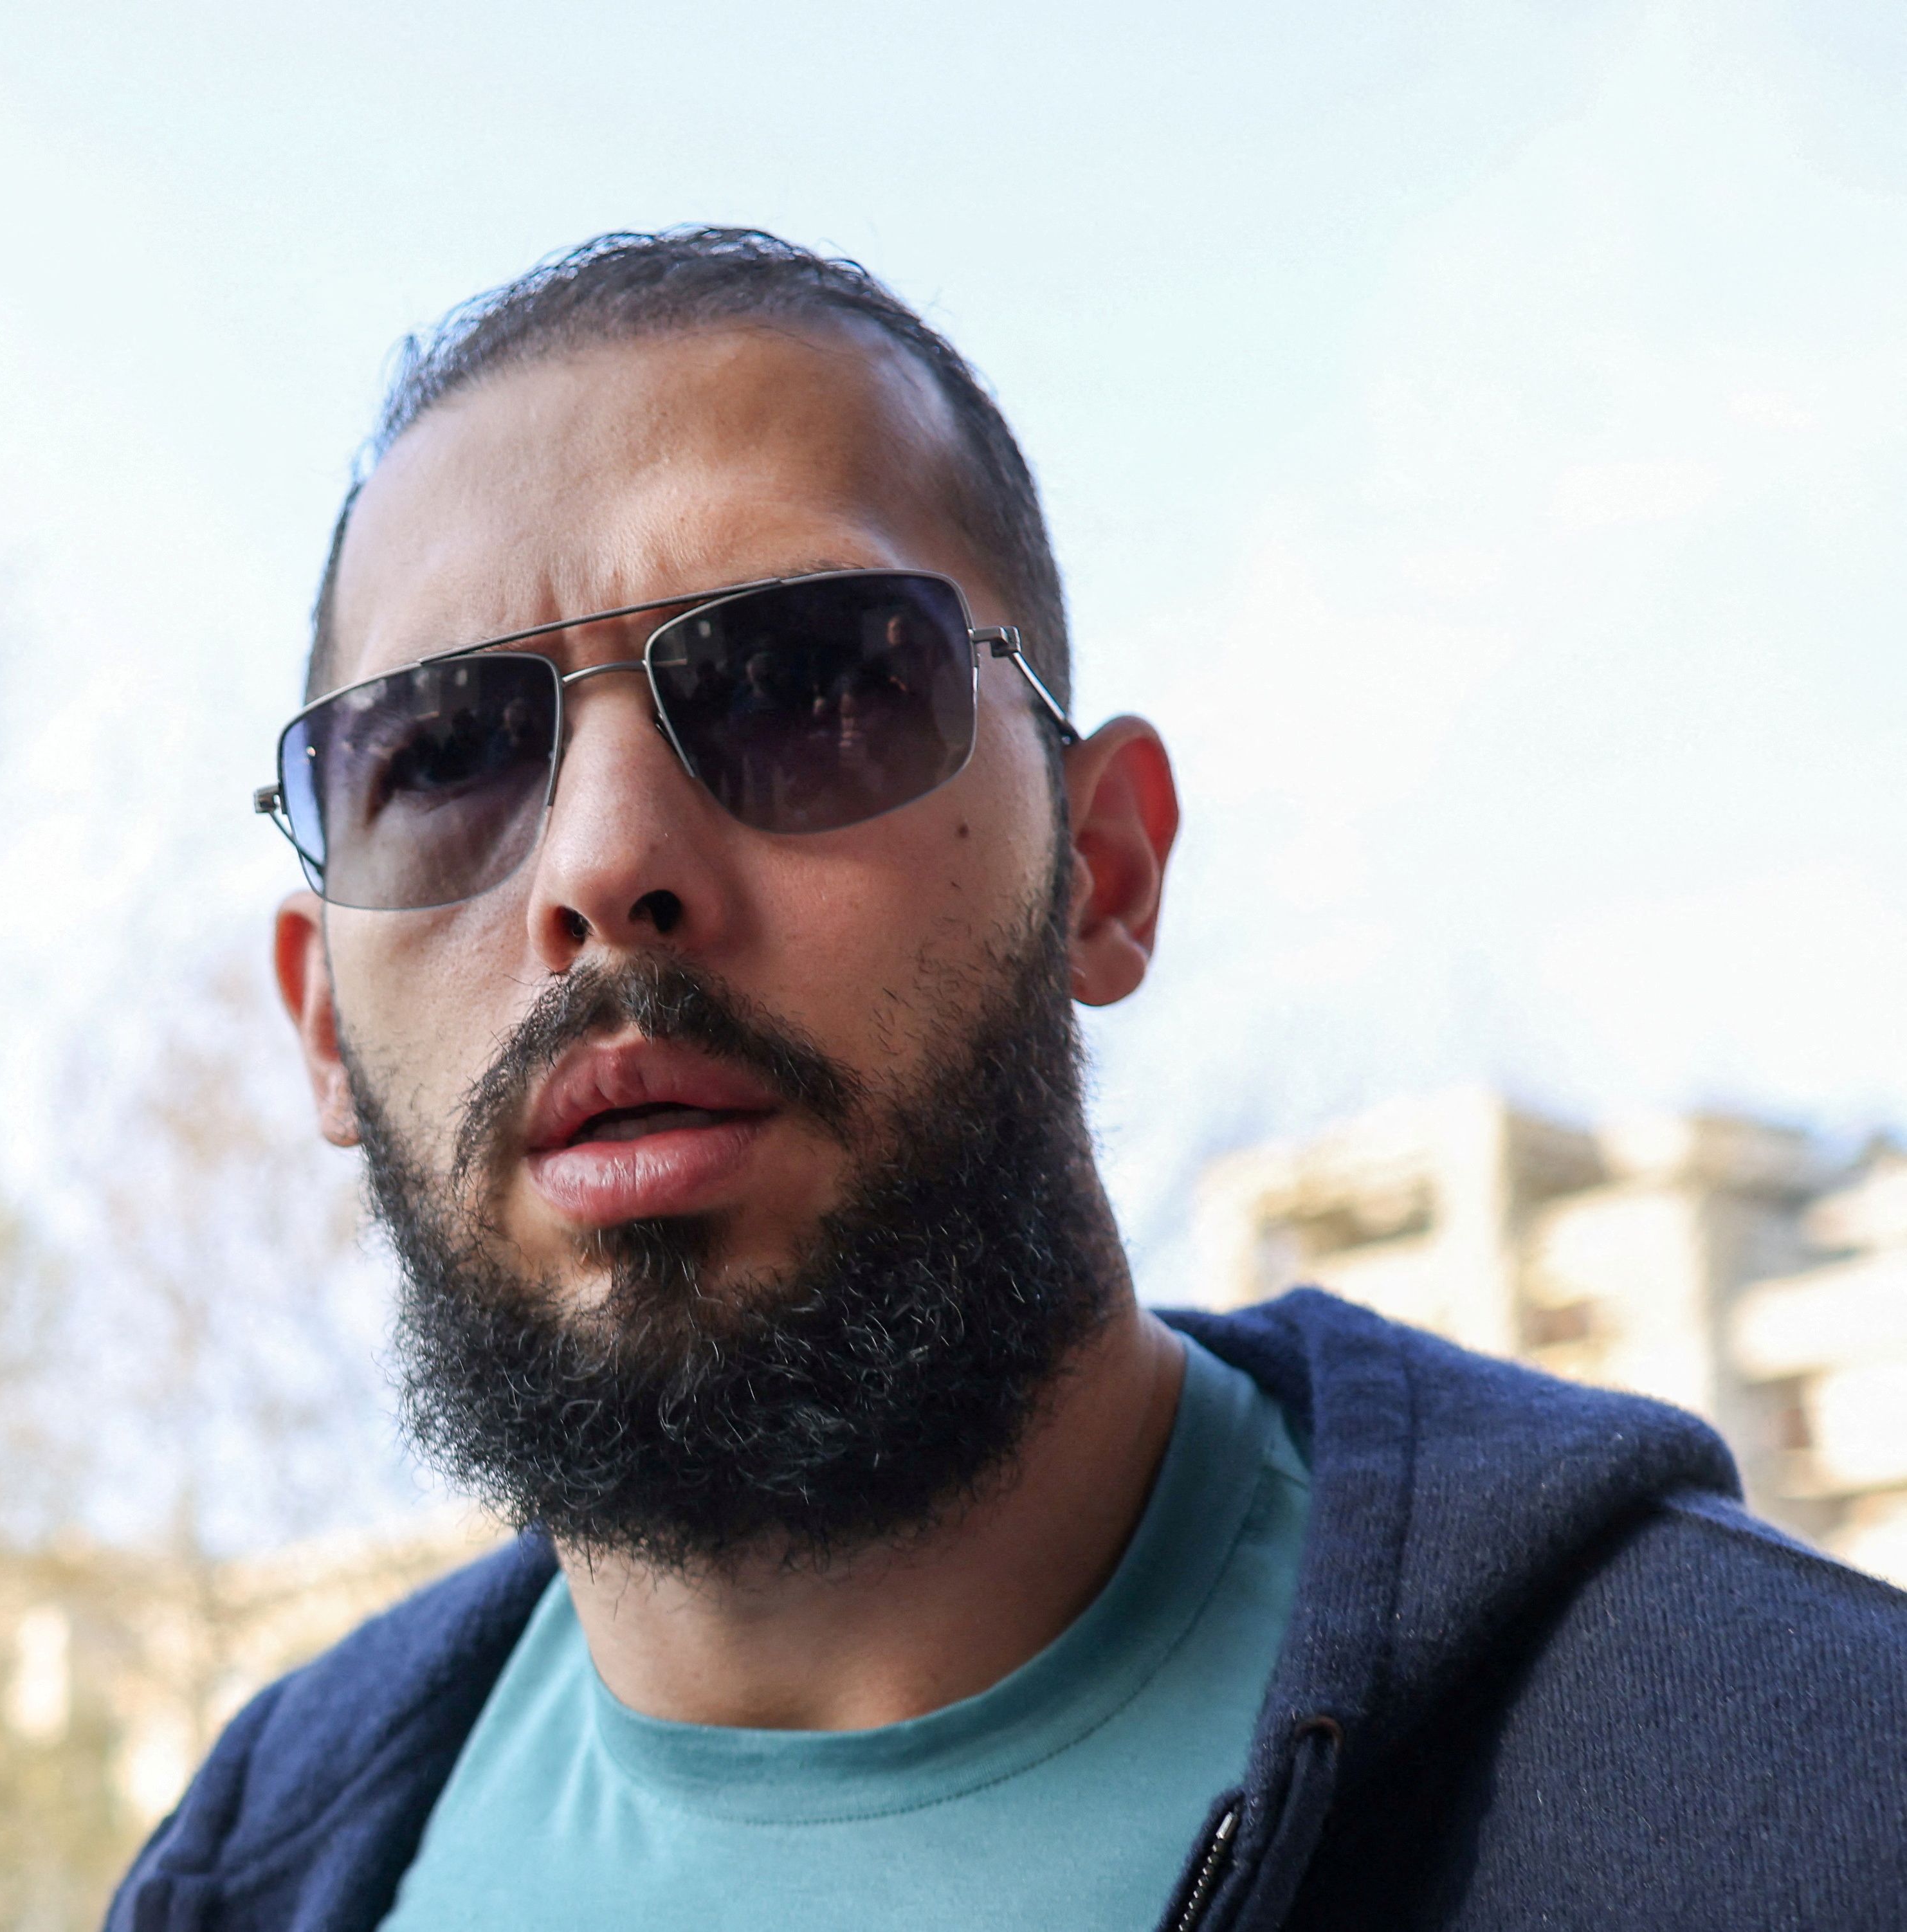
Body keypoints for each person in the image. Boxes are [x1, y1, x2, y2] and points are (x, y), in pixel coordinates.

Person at [107, 229, 1907, 1932]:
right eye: (442, 757)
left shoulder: (1815, 1800)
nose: (603, 862)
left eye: (804, 687)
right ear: (324, 1028)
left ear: (1103, 870)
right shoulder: (248, 1880)